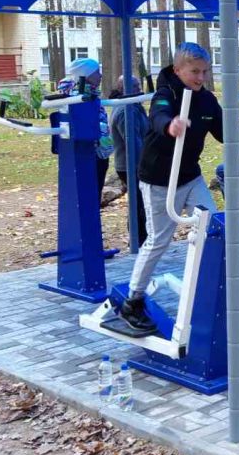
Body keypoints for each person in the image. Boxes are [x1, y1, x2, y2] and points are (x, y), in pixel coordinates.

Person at [116, 43, 226, 333]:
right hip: (159, 180)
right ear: (178, 70)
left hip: (190, 177)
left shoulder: (207, 100)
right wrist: (171, 125)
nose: (201, 78)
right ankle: (132, 302)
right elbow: (158, 116)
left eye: (205, 72)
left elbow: (228, 133)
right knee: (159, 240)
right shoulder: (165, 94)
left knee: (213, 227)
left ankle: (206, 288)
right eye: (194, 72)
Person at [59, 58, 114, 197]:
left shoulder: (92, 94)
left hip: (98, 150)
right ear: (86, 75)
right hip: (90, 151)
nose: (100, 76)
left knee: (94, 193)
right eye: (97, 72)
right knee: (90, 194)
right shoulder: (79, 96)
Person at [110, 76, 149, 245]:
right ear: (123, 89)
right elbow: (133, 142)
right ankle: (139, 240)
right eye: (135, 86)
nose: (139, 89)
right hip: (131, 165)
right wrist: (146, 164)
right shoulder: (126, 110)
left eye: (139, 85)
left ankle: (140, 238)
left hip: (136, 163)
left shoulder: (135, 106)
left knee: (140, 202)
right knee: (139, 203)